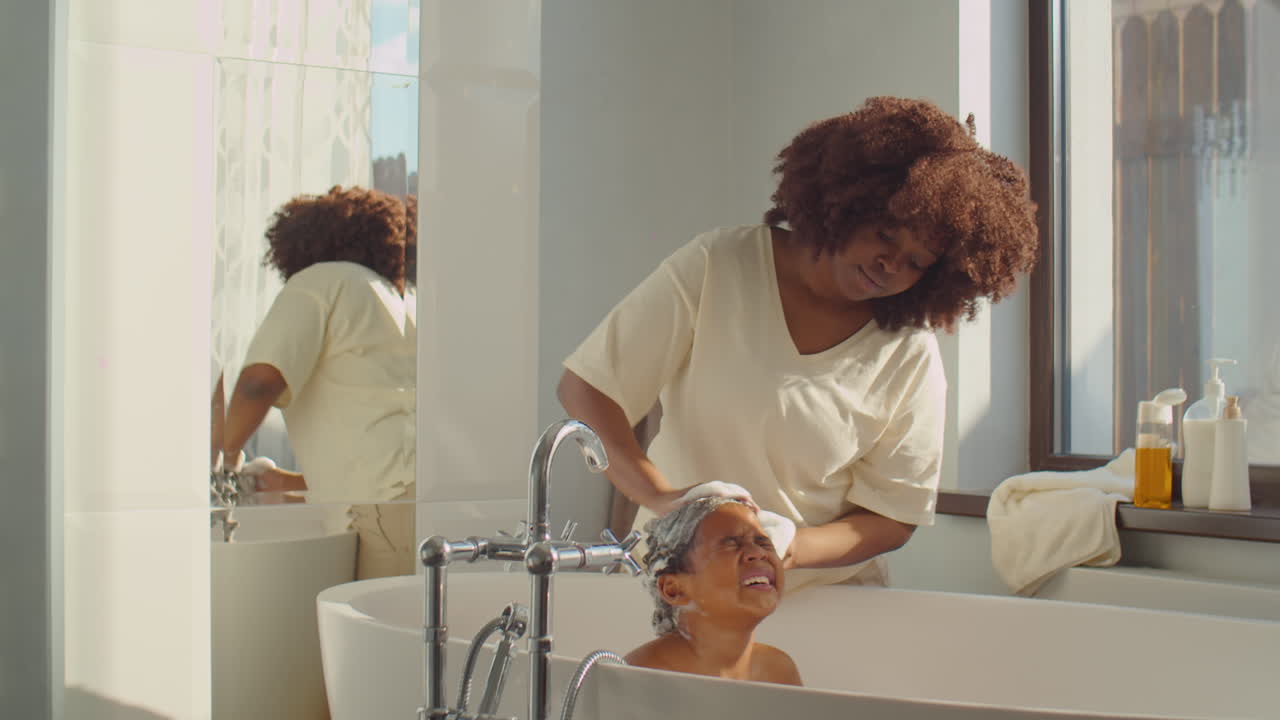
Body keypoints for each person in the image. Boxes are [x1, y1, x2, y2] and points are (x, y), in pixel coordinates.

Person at [558, 96, 1039, 591]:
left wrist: (784, 548)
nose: (891, 265)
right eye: (885, 236)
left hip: (826, 607)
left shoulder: (908, 353)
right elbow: (588, 390)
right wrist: (664, 499)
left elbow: (893, 517)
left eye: (917, 262)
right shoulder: (719, 266)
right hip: (677, 589)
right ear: (847, 204)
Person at [219, 185, 418, 579]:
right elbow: (375, 432)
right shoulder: (401, 298)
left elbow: (258, 383)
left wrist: (221, 456)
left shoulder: (322, 281)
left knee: (370, 638)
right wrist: (288, 482)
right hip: (417, 501)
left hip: (380, 511)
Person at [627, 496, 802, 686]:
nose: (758, 552)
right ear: (674, 589)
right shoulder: (643, 675)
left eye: (763, 542)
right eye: (731, 544)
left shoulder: (777, 671)